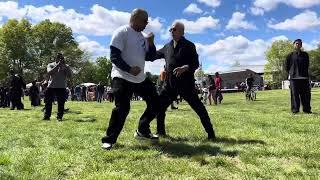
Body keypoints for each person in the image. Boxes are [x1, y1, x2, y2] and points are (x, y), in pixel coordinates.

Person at [101, 8, 160, 150]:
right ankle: (109, 139)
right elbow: (114, 57)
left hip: (139, 78)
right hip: (121, 76)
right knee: (123, 108)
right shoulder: (122, 32)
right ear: (135, 18)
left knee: (156, 103)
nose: (146, 24)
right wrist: (129, 69)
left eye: (147, 21)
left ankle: (142, 130)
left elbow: (150, 57)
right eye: (144, 21)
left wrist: (151, 43)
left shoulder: (144, 37)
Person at [146, 21, 216, 139]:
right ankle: (161, 132)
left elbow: (195, 63)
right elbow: (152, 57)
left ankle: (211, 134)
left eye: (174, 29)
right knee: (159, 107)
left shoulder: (189, 45)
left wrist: (185, 68)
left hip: (186, 85)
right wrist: (150, 43)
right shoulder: (167, 46)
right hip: (169, 85)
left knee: (200, 109)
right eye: (170, 30)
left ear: (182, 32)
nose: (171, 32)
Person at [285, 39, 311, 114]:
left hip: (304, 78)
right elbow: (286, 67)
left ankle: (307, 110)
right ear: (294, 45)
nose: (298, 45)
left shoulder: (305, 55)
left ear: (301, 45)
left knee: (306, 95)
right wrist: (291, 73)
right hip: (294, 78)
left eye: (299, 44)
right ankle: (295, 110)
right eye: (296, 43)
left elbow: (307, 65)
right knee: (294, 95)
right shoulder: (290, 55)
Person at [43, 53, 72, 121]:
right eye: (58, 57)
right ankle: (47, 116)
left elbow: (69, 75)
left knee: (61, 103)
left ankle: (59, 117)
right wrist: (57, 66)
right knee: (48, 102)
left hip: (61, 86)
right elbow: (49, 72)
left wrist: (65, 67)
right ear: (55, 58)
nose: (60, 59)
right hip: (51, 86)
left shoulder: (66, 66)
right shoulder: (50, 64)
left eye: (61, 57)